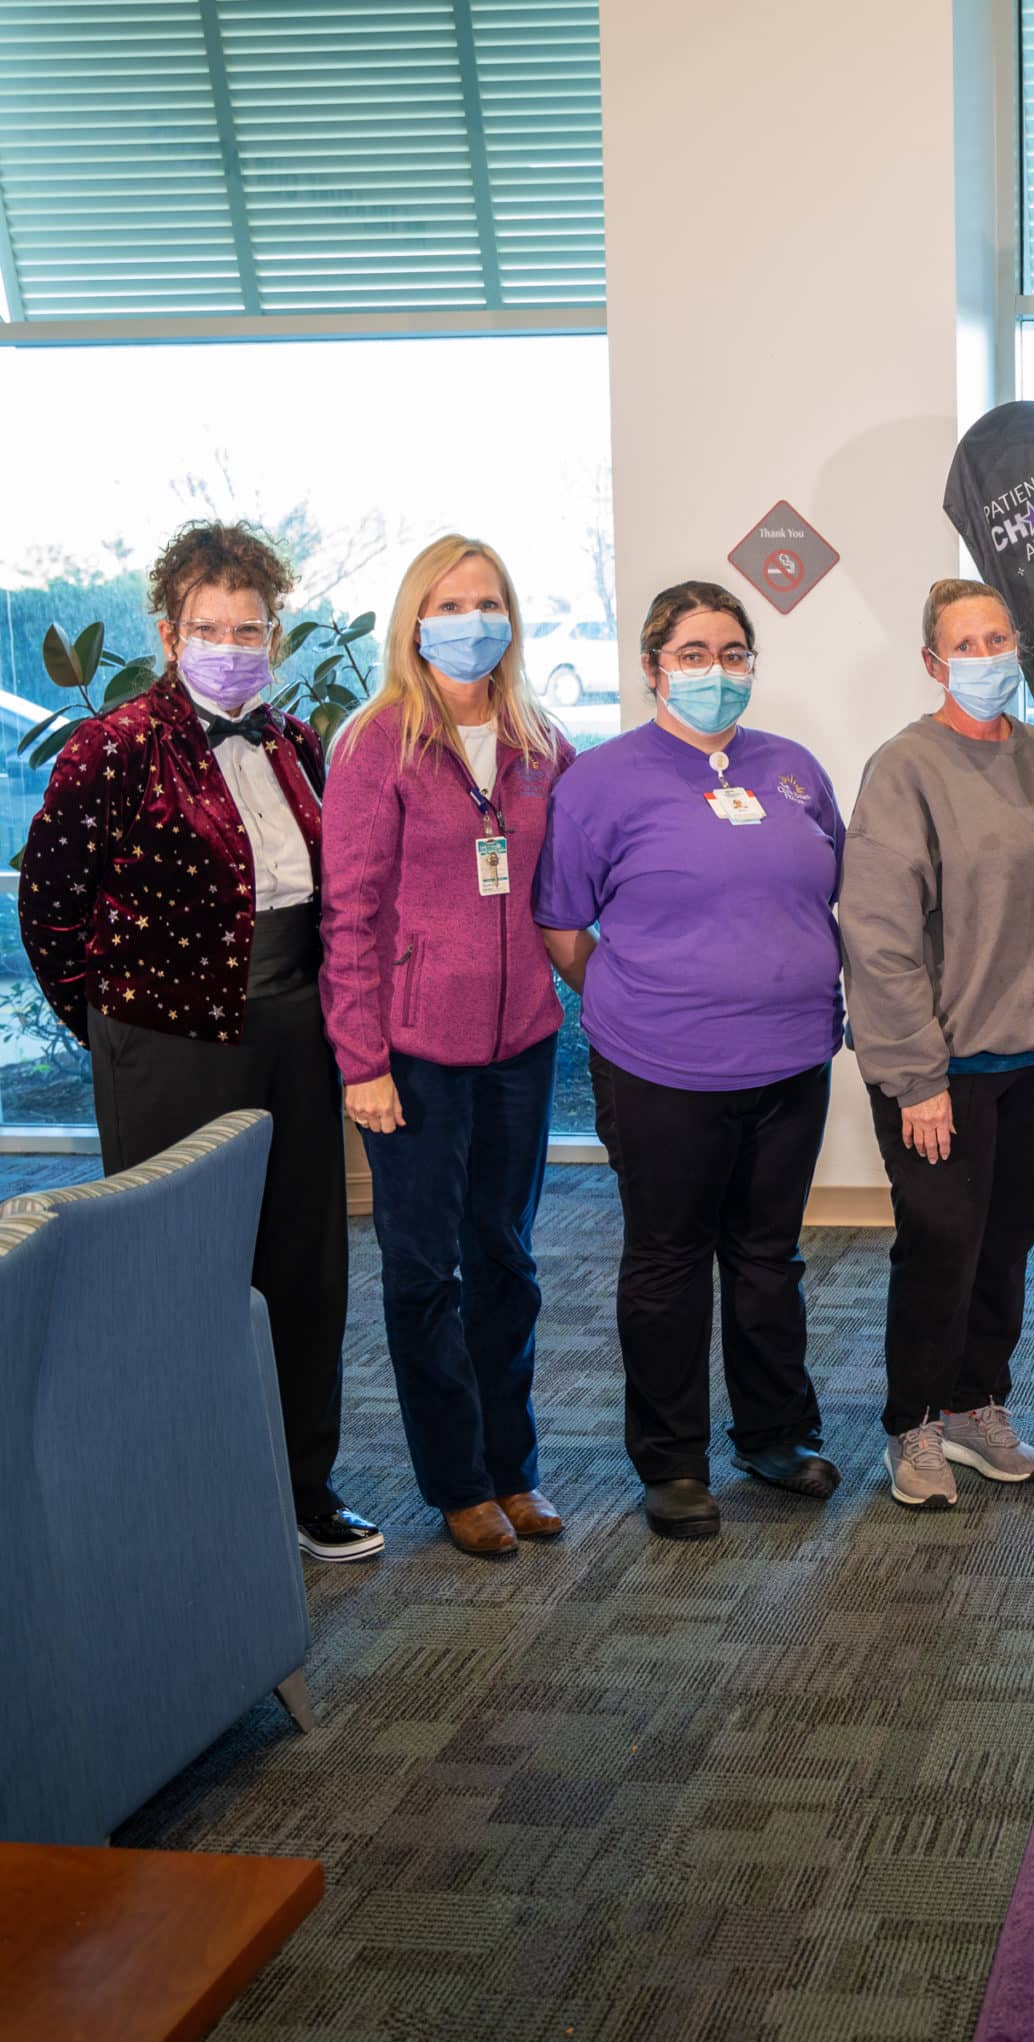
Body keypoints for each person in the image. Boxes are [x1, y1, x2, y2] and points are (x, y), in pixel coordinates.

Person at [17, 520, 376, 1561]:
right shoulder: (114, 743)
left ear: (276, 633)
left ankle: (304, 1484)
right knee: (174, 1271)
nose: (233, 643)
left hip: (294, 1030)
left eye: (251, 626)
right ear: (170, 633)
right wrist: (114, 1026)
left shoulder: (297, 740)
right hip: (169, 1038)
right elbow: (50, 906)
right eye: (209, 626)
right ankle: (180, 1491)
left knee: (304, 1265)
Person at [532, 580, 847, 1542]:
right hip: (661, 1070)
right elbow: (559, 920)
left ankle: (772, 1435)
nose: (718, 672)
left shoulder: (792, 768)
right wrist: (641, 1003)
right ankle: (671, 1463)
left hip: (792, 1060)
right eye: (696, 654)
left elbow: (829, 885)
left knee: (767, 1260)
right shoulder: (601, 781)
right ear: (654, 667)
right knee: (668, 1263)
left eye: (734, 653)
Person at [321, 536, 574, 1558]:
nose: (471, 618)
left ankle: (513, 1465)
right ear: (413, 620)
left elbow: (575, 878)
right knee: (425, 1269)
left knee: (506, 1261)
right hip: (414, 1051)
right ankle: (458, 1478)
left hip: (522, 1045)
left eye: (487, 600)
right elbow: (347, 917)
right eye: (449, 600)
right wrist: (360, 1060)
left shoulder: (540, 740)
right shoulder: (376, 743)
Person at [842, 579, 1034, 1512]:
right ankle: (914, 1424)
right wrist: (914, 1078)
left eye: (998, 638)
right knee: (941, 1242)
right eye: (965, 645)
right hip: (942, 1071)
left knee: (1009, 1243)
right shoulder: (904, 768)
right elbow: (879, 933)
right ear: (933, 664)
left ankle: (980, 1402)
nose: (987, 658)